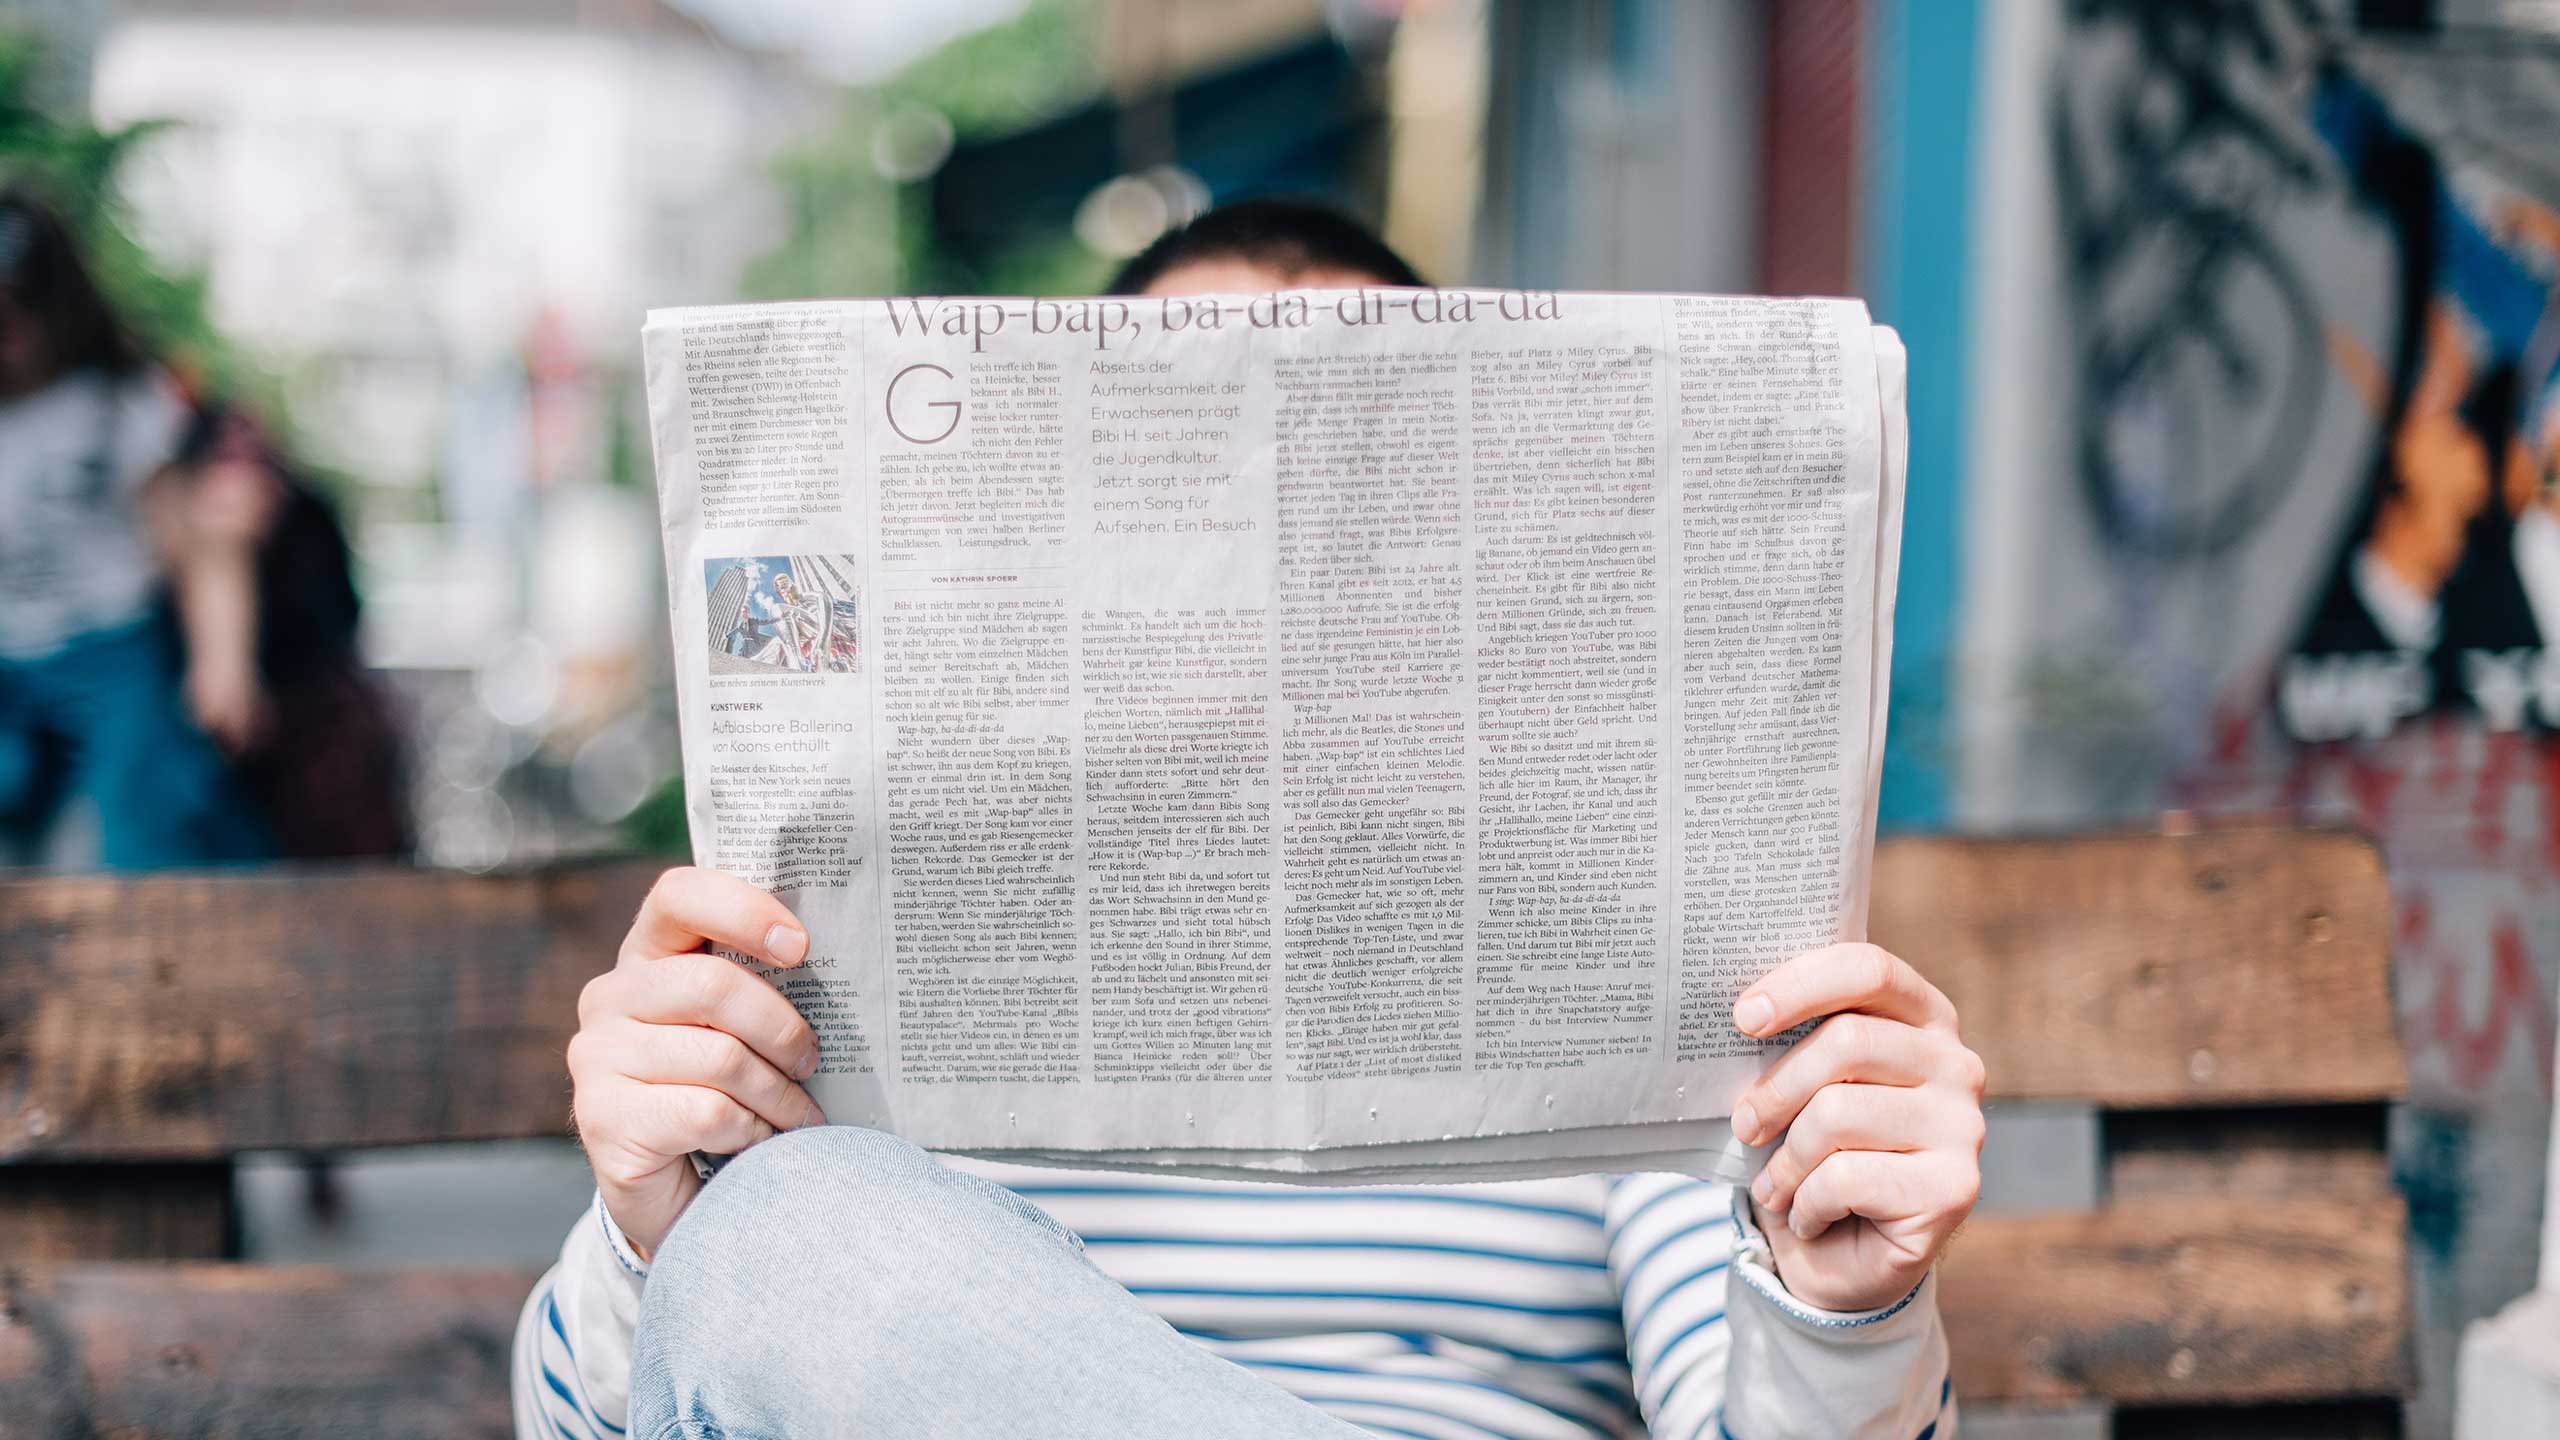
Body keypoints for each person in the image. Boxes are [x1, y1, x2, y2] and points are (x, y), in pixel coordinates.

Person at [517, 200, 1982, 1440]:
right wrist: (654, 1232)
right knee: (790, 1236)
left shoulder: (1628, 945)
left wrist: (1841, 1306)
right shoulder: (841, 964)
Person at [0, 186, 269, 868]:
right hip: (8, 657)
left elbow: (200, 545)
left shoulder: (117, 402)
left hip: (109, 650)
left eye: (22, 306)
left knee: (136, 831)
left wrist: (223, 661)